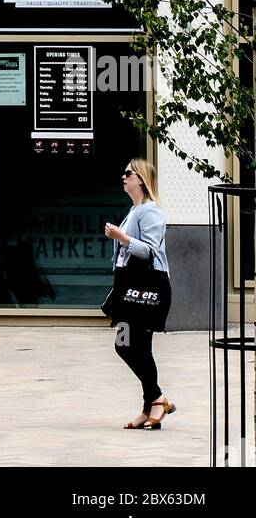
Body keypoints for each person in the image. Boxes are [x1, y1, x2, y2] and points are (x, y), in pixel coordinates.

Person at [104, 158, 175, 430]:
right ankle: (155, 401)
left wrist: (121, 238)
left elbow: (150, 250)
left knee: (138, 347)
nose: (123, 177)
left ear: (141, 180)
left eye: (128, 173)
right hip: (128, 288)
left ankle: (153, 403)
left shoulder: (151, 211)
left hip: (148, 290)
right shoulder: (133, 211)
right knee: (125, 344)